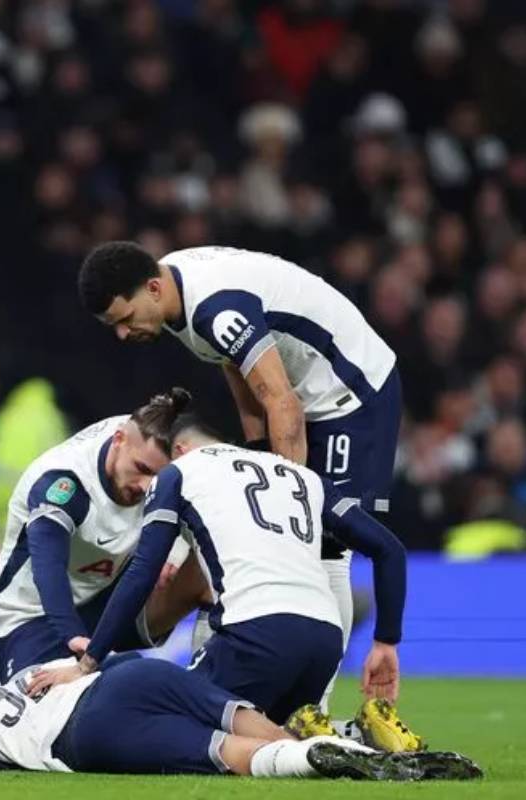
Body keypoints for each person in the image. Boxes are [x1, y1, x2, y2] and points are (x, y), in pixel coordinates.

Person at [77, 242, 405, 724]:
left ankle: (315, 710)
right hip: (307, 389)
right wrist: (256, 449)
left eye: (126, 319)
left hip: (350, 394)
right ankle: (304, 707)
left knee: (323, 548)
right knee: (307, 545)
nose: (124, 334)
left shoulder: (215, 307)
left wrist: (284, 486)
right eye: (114, 328)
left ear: (151, 288)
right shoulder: (178, 298)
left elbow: (283, 402)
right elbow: (235, 366)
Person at [27, 404, 417, 752]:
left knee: (161, 719)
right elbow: (390, 550)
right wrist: (386, 643)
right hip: (325, 642)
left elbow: (144, 570)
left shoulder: (179, 474)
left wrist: (88, 662)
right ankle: (347, 735)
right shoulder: (298, 474)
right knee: (270, 738)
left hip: (254, 638)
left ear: (177, 450)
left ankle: (348, 747)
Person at [0, 655, 481, 780]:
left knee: (233, 756)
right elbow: (125, 656)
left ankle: (324, 762)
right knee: (260, 728)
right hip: (132, 673)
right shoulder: (45, 666)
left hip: (90, 732)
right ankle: (379, 755)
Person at [0, 388, 208, 682]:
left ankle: (215, 690)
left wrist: (181, 546)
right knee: (49, 708)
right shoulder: (65, 482)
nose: (147, 487)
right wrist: (73, 637)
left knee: (208, 572)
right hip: (36, 614)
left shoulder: (159, 447)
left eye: (157, 477)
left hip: (108, 602)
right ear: (118, 440)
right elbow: (48, 567)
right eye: (141, 470)